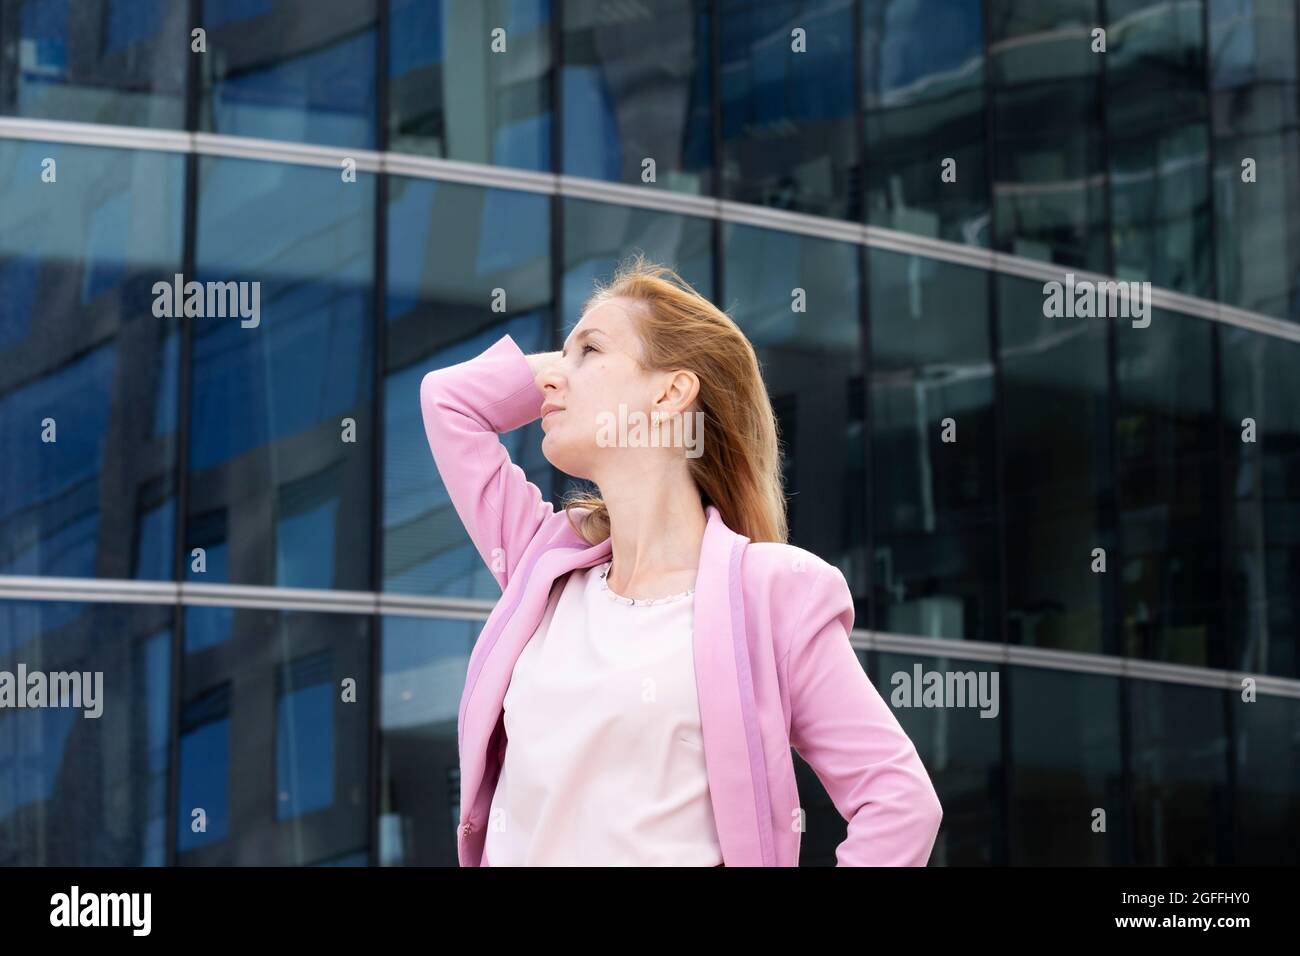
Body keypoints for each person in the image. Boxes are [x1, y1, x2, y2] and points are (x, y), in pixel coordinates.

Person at [419, 253, 943, 866]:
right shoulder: (544, 563)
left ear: (671, 390)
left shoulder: (771, 593)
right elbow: (449, 403)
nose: (553, 378)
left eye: (589, 351)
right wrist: (567, 369)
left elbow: (900, 800)